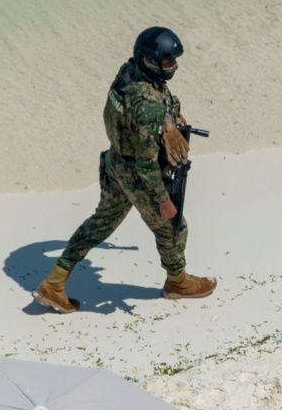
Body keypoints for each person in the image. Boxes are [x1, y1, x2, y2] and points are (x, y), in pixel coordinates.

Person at [33, 26, 216, 314]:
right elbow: (145, 162)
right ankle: (177, 282)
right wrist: (163, 200)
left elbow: (149, 101)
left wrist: (169, 117)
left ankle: (54, 283)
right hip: (138, 173)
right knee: (173, 228)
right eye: (167, 61)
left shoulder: (128, 71)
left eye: (174, 60)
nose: (174, 66)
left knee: (100, 223)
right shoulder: (148, 108)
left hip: (115, 161)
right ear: (151, 61)